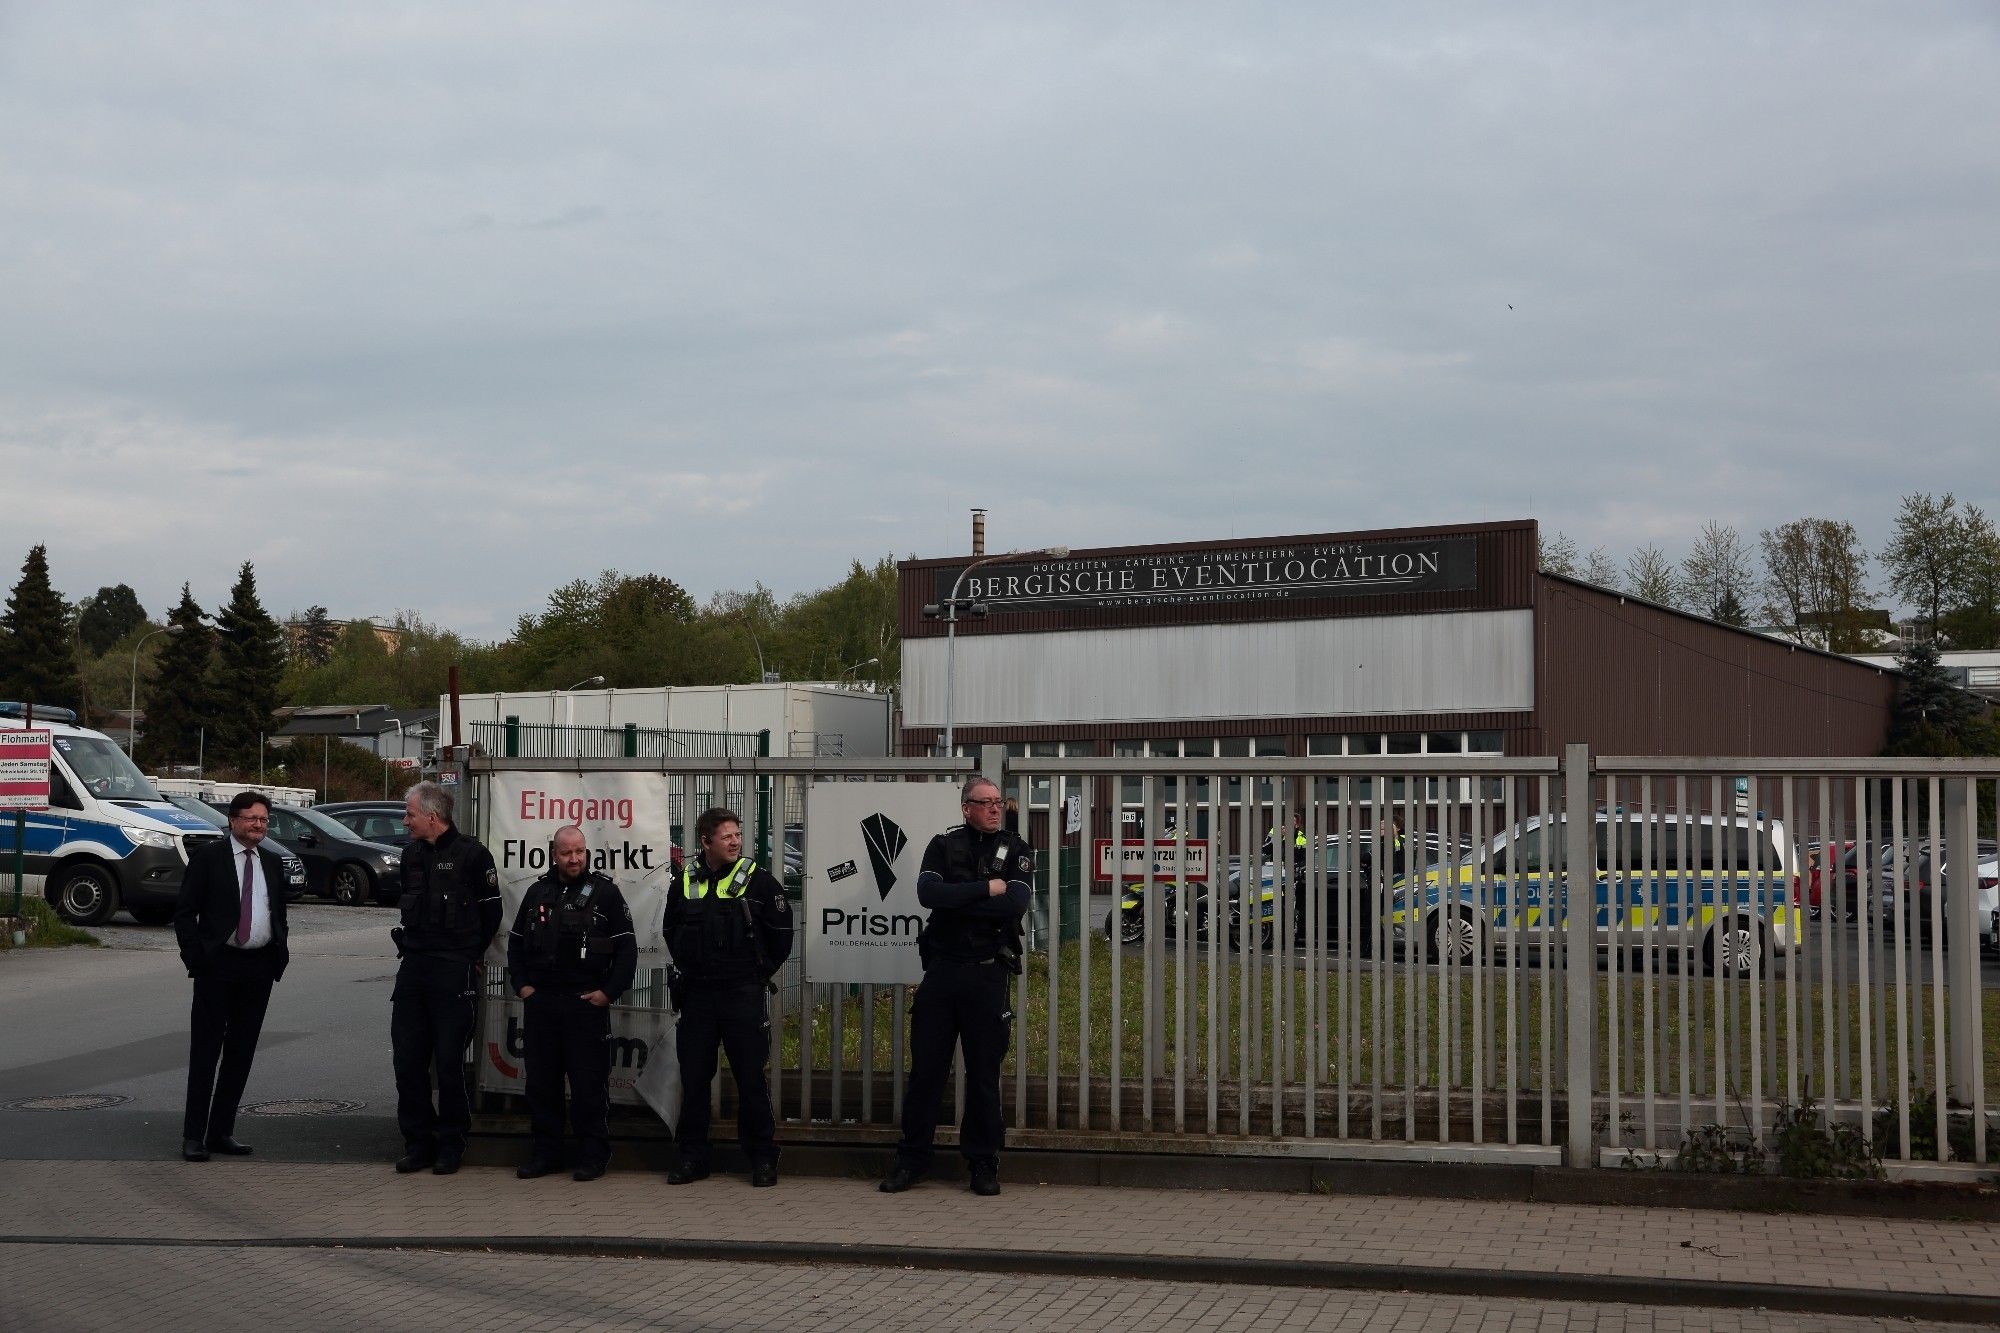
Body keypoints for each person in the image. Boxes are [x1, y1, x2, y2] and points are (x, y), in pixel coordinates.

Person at [880, 776, 1031, 1197]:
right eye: (985, 803)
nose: (995, 809)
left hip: (987, 974)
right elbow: (929, 894)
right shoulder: (942, 845)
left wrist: (960, 898)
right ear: (966, 807)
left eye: (998, 802)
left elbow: (1014, 903)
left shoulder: (1015, 850)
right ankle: (911, 1160)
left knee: (983, 1075)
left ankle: (983, 1164)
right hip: (943, 974)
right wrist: (985, 888)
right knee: (926, 1072)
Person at [662, 806, 793, 1187]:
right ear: (705, 842)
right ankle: (692, 1158)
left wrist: (755, 975)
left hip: (742, 994)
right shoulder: (683, 881)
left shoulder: (760, 881)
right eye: (727, 836)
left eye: (738, 834)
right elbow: (671, 930)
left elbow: (781, 938)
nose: (735, 841)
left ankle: (762, 1159)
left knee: (750, 1078)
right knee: (695, 1078)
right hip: (698, 995)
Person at [506, 825, 637, 1182]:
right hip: (543, 1005)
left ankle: (592, 1156)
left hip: (585, 1005)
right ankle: (546, 1155)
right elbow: (515, 945)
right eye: (567, 853)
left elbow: (626, 950)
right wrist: (522, 987)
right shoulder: (536, 892)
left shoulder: (606, 894)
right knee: (541, 1085)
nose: (575, 858)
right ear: (554, 854)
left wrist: (608, 993)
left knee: (588, 1086)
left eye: (579, 851)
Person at [391, 779, 501, 1176]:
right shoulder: (411, 856)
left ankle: (451, 1144)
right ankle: (418, 1143)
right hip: (415, 967)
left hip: (454, 970)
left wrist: (469, 956)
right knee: (408, 1061)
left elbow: (492, 914)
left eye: (410, 815)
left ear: (432, 817)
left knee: (450, 1064)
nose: (405, 821)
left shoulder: (473, 855)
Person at [174, 790, 291, 1162]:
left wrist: (277, 953)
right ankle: (193, 1136)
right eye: (252, 818)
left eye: (264, 820)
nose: (259, 825)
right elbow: (184, 913)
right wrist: (197, 959)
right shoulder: (210, 858)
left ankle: (221, 1131)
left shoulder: (272, 862)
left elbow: (278, 913)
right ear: (233, 820)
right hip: (217, 966)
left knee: (241, 1053)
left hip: (258, 967)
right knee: (206, 1051)